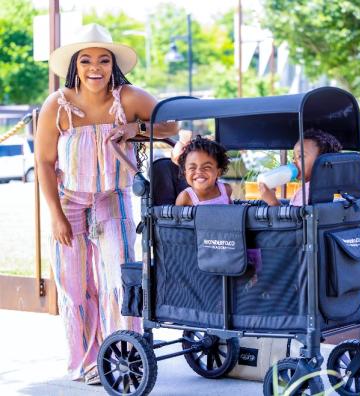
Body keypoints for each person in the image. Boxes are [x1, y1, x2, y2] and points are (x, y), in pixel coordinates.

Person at [35, 23, 178, 384]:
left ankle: (123, 354)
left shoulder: (127, 97)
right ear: (76, 66)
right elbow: (44, 162)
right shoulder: (58, 104)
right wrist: (55, 216)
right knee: (75, 284)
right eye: (86, 61)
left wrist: (136, 130)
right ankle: (86, 360)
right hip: (69, 203)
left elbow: (171, 125)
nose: (94, 67)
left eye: (102, 60)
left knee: (120, 277)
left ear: (112, 65)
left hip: (112, 199)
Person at [259, 129, 342, 206]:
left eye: (300, 156)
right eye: (293, 158)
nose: (294, 162)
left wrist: (272, 202)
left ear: (323, 161)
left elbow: (294, 221)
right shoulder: (334, 187)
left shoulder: (310, 192)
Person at [175, 135, 232, 205]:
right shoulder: (185, 197)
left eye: (206, 167)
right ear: (185, 173)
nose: (199, 171)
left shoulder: (226, 190)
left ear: (218, 172)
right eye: (192, 168)